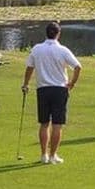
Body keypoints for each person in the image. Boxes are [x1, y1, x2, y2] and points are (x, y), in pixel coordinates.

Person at [22, 22, 81, 164]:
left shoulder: (37, 49)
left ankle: (44, 155)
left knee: (44, 124)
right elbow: (78, 67)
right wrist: (72, 83)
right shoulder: (63, 50)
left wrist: (25, 84)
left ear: (46, 33)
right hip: (60, 89)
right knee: (57, 124)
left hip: (43, 89)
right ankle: (53, 155)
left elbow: (30, 67)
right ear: (58, 34)